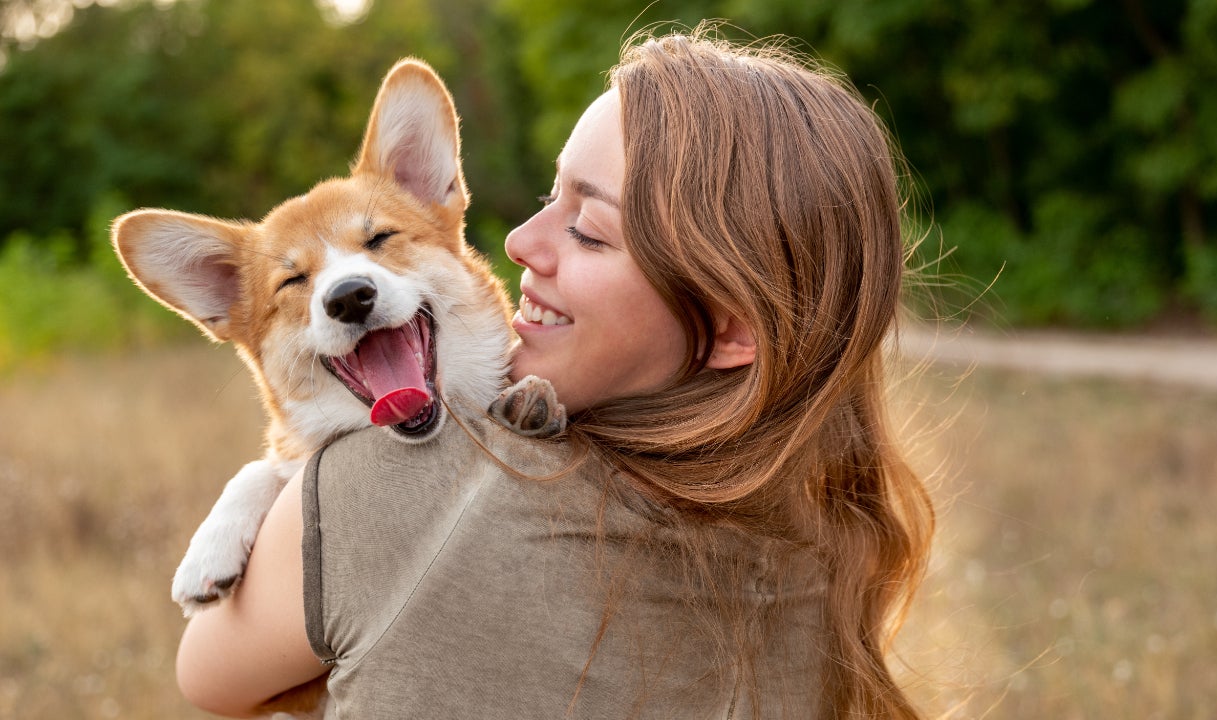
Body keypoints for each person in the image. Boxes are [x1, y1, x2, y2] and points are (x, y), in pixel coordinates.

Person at [174, 26, 934, 720]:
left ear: (731, 325)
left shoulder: (391, 492)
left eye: (590, 231)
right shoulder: (827, 558)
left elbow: (205, 678)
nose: (516, 243)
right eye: (549, 195)